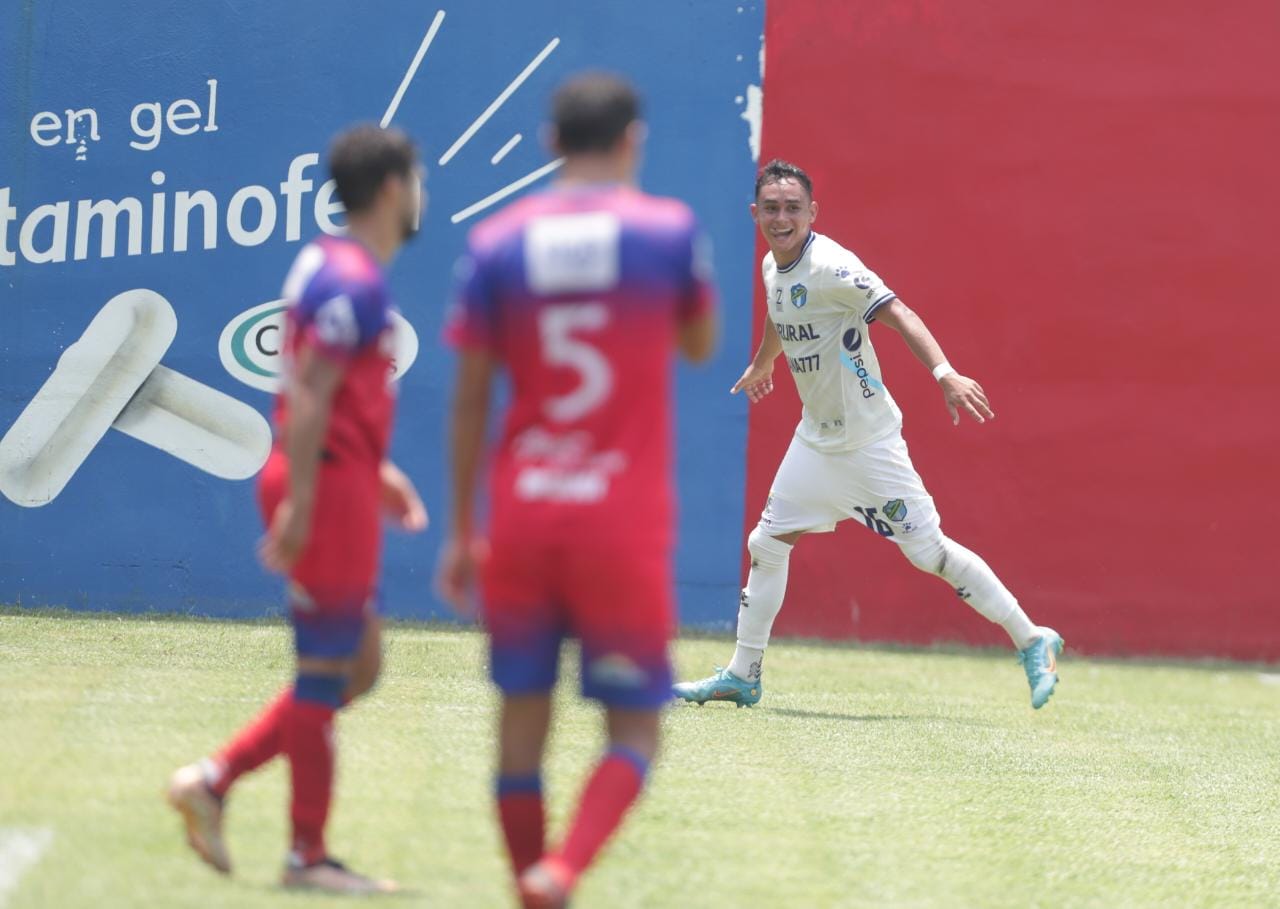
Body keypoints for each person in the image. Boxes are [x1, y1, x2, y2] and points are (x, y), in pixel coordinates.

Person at [436, 73, 717, 909]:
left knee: (522, 717)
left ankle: (527, 876)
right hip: (620, 521)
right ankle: (560, 873)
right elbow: (700, 343)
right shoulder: (666, 231)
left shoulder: (497, 242)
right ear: (633, 138)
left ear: (548, 142)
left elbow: (470, 398)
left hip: (522, 514)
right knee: (633, 727)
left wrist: (461, 528)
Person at [675, 159, 1063, 711]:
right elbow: (780, 315)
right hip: (815, 442)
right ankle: (743, 674)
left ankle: (1033, 637)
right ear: (754, 213)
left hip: (868, 445)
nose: (781, 218)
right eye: (772, 208)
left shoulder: (834, 266)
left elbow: (899, 312)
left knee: (928, 553)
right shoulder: (771, 265)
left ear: (813, 213)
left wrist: (944, 373)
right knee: (767, 544)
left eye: (793, 208)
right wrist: (765, 363)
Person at [166, 124, 428, 893]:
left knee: (359, 665)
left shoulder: (331, 262)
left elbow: (332, 392)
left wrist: (376, 470)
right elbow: (309, 390)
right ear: (390, 188)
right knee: (324, 670)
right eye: (414, 179)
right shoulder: (353, 278)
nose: (420, 195)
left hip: (340, 475)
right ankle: (304, 854)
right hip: (322, 481)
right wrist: (307, 502)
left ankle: (213, 781)